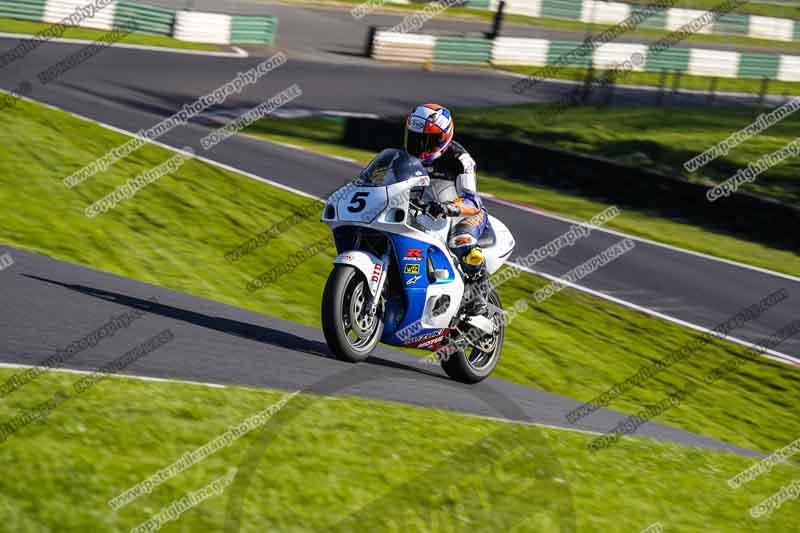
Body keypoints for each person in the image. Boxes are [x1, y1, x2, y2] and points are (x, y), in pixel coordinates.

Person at [403, 103, 489, 315]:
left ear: (442, 138)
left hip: (464, 215)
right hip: (425, 212)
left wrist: (447, 207)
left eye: (426, 140)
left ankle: (480, 292)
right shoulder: (405, 157)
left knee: (461, 241)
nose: (418, 145)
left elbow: (471, 200)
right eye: (414, 137)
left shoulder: (460, 159)